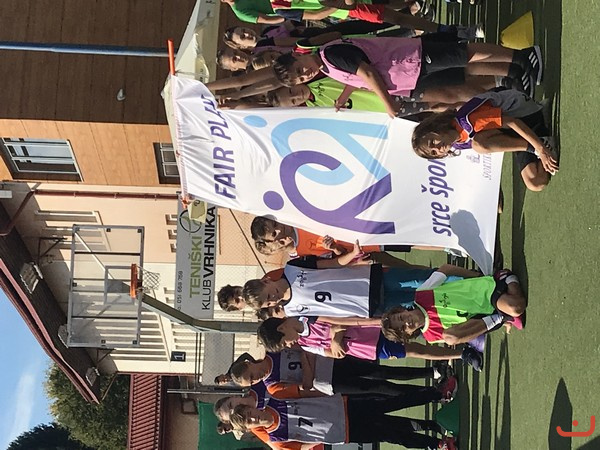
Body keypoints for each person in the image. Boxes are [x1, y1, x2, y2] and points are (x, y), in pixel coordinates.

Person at [273, 37, 542, 117]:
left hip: (409, 59)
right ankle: (512, 73)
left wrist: (388, 105)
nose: (305, 74)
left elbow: (368, 72)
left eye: (299, 69)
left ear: (297, 56)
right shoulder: (325, 67)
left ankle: (520, 56)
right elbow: (355, 78)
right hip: (408, 77)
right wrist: (344, 95)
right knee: (462, 73)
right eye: (300, 78)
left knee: (465, 55)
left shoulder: (329, 55)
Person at [242, 242, 478, 320]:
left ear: (266, 281)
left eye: (267, 294)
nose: (272, 299)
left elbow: (332, 264)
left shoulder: (293, 268)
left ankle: (478, 280)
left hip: (372, 279)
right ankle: (474, 304)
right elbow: (330, 317)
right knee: (426, 305)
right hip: (369, 307)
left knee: (426, 279)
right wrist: (363, 321)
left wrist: (352, 256)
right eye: (267, 303)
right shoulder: (293, 311)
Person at [411, 88, 559, 191]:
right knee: (535, 182)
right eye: (434, 153)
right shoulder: (457, 143)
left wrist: (539, 149)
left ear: (435, 127)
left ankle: (541, 139)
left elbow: (512, 122)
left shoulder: (466, 120)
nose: (438, 148)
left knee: (479, 145)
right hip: (515, 132)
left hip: (524, 115)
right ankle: (542, 136)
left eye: (432, 142)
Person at [229, 395, 457, 449]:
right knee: (391, 435)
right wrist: (321, 435)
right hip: (343, 431)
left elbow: (307, 392)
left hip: (344, 406)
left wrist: (330, 399)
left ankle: (437, 393)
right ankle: (437, 444)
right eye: (249, 422)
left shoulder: (276, 398)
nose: (253, 418)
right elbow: (303, 447)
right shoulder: (276, 439)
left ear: (251, 407)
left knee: (391, 403)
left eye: (249, 413)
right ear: (250, 428)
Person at [258, 315, 484, 370]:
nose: (290, 346)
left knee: (419, 328)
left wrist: (336, 337)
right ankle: (462, 354)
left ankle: (469, 328)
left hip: (373, 328)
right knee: (415, 351)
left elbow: (340, 322)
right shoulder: (305, 343)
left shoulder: (308, 315)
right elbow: (332, 352)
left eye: (285, 343)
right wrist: (335, 342)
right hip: (369, 349)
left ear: (281, 328)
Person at [228, 348, 458, 398]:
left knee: (379, 370)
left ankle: (433, 371)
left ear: (249, 363)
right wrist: (307, 363)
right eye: (252, 382)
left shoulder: (274, 350)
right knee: (378, 388)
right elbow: (306, 385)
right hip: (329, 383)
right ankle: (430, 393)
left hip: (333, 360)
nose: (256, 379)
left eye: (251, 375)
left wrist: (307, 362)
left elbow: (303, 345)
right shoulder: (273, 387)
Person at [381, 268, 527, 345]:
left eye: (401, 318)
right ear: (408, 335)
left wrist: (477, 276)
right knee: (449, 338)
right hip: (482, 316)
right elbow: (466, 330)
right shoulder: (431, 336)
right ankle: (502, 317)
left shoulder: (422, 293)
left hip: (483, 292)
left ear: (402, 309)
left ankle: (505, 277)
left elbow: (446, 269)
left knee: (516, 307)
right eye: (403, 328)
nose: (407, 322)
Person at [250, 215, 432, 268]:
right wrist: (335, 248)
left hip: (368, 231)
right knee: (407, 270)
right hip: (365, 256)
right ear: (272, 244)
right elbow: (338, 261)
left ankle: (445, 247)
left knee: (412, 240)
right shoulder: (300, 258)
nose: (279, 231)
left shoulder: (299, 218)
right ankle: (438, 275)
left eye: (275, 225)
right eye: (274, 234)